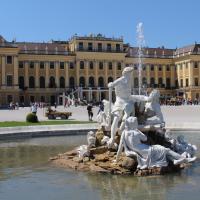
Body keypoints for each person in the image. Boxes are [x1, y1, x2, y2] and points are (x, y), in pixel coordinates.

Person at [115, 117, 196, 169]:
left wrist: (116, 160)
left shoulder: (124, 133)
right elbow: (145, 138)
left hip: (142, 151)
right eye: (136, 123)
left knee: (164, 151)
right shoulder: (136, 132)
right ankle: (184, 159)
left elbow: (119, 148)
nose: (137, 125)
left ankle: (174, 160)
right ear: (133, 124)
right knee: (166, 149)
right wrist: (139, 131)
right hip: (146, 151)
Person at [107, 66, 152, 148]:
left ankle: (121, 129)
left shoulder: (128, 80)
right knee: (116, 117)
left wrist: (145, 98)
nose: (131, 75)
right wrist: (110, 84)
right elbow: (112, 84)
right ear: (126, 73)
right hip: (120, 101)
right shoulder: (121, 80)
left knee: (128, 111)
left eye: (131, 74)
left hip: (127, 100)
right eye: (130, 73)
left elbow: (131, 95)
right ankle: (112, 138)